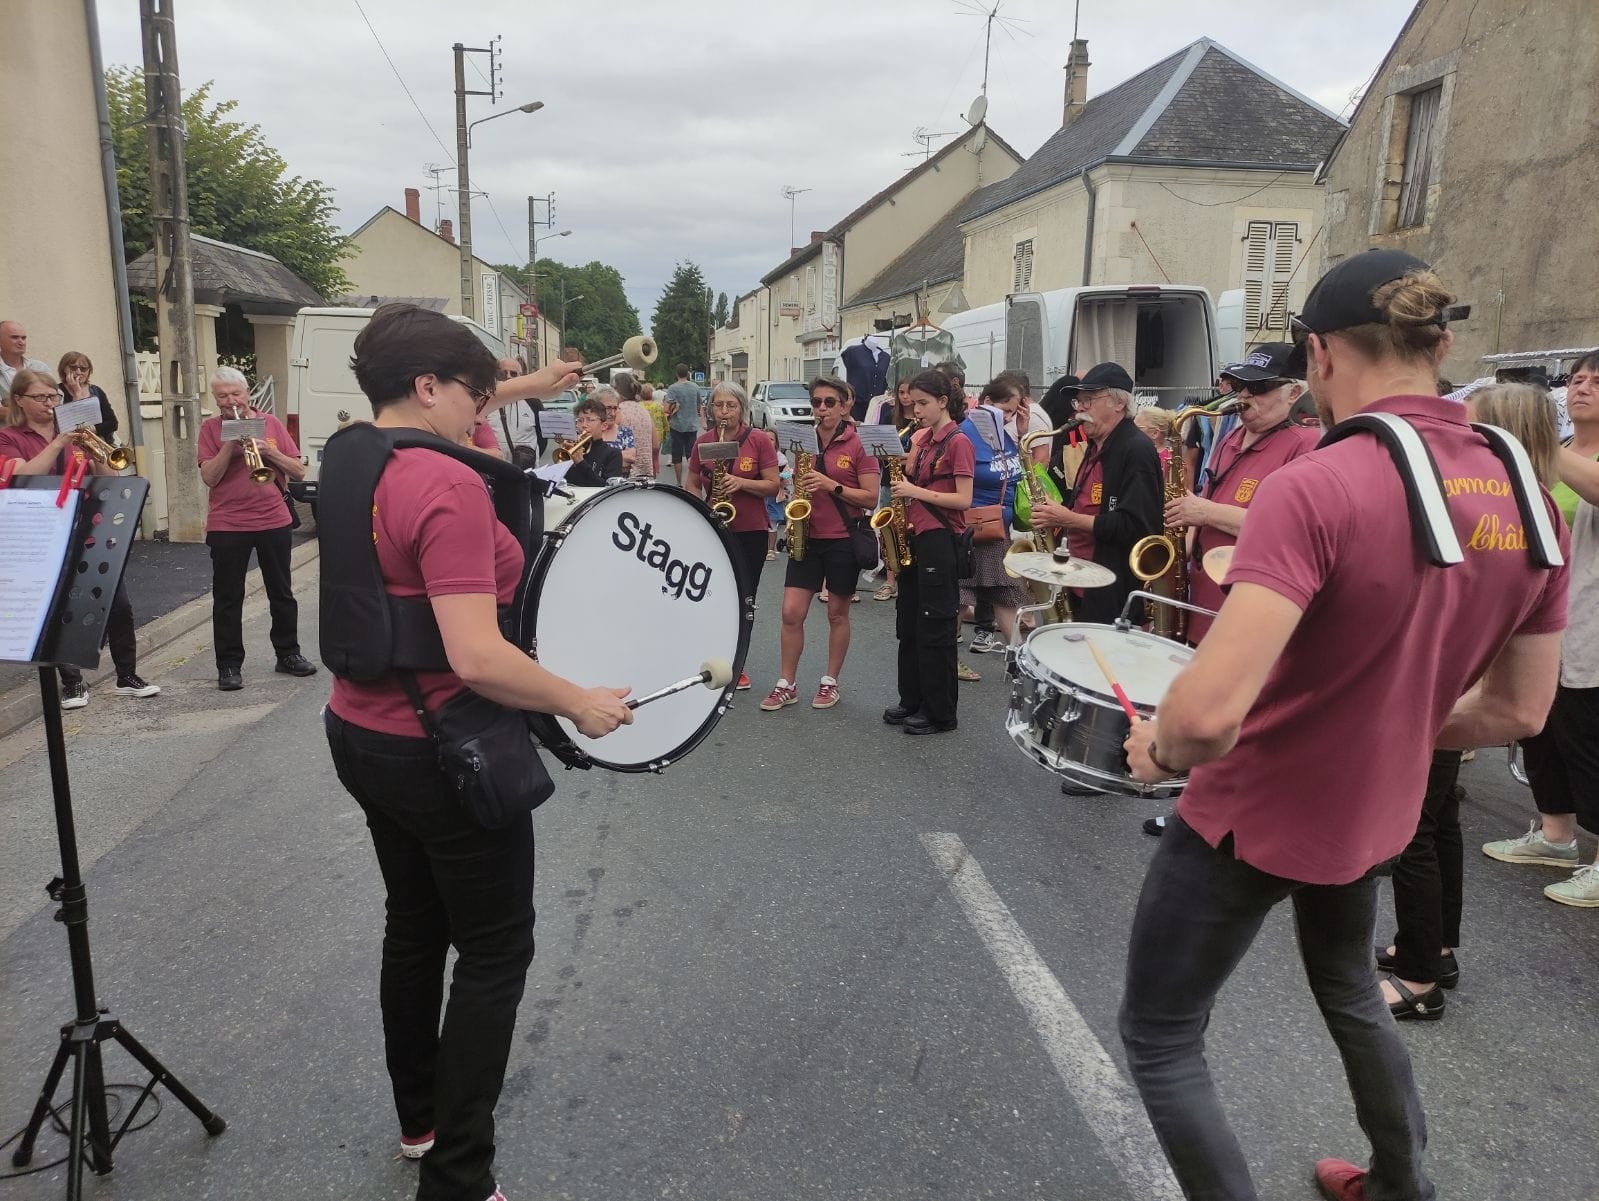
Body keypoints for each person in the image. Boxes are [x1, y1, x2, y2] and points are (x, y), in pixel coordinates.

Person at [1117, 249, 1569, 1201]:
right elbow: (1519, 711)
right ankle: (1402, 1186)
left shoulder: (1317, 484)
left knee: (1161, 1037)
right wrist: (1389, 730)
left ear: (1317, 355)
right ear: (1440, 345)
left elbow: (1201, 719)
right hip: (1375, 813)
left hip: (1251, 814)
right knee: (1351, 990)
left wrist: (1155, 748)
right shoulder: (1527, 493)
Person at [323, 302, 632, 1201]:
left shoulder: (351, 453)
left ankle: (420, 1122)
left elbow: (396, 594)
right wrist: (579, 701)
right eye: (471, 394)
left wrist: (520, 387)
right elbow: (476, 654)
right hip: (441, 749)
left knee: (414, 924)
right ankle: (460, 1179)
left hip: (358, 731)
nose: (479, 410)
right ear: (426, 387)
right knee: (494, 952)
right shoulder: (446, 486)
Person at [1485, 351, 1599, 909]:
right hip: (1547, 617)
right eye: (1577, 378)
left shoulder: (1560, 457)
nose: (1582, 387)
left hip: (1593, 625)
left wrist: (1530, 440)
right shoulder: (1563, 453)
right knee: (1542, 729)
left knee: (1588, 740)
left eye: (1597, 381)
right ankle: (1556, 837)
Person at [0, 370, 159, 704]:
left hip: (89, 529)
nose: (49, 403)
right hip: (43, 535)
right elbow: (23, 475)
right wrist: (59, 443)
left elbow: (109, 476)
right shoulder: (9, 437)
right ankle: (72, 682)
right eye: (40, 398)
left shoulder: (76, 435)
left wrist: (99, 449)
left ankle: (126, 674)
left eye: (53, 397)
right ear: (19, 400)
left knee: (119, 605)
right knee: (59, 609)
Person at [759, 377, 879, 712]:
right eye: (816, 402)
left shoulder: (861, 445)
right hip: (807, 536)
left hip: (843, 538)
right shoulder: (804, 440)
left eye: (829, 402)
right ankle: (787, 683)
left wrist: (831, 485)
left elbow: (870, 497)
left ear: (844, 406)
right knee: (790, 612)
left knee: (837, 614)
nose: (821, 409)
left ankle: (830, 681)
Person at [197, 366, 317, 691]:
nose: (229, 401)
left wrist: (269, 451)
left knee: (281, 591)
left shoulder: (272, 423)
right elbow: (209, 477)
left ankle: (288, 654)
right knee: (227, 597)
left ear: (247, 394)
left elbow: (299, 470)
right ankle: (229, 665)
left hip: (272, 518)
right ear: (216, 398)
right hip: (227, 523)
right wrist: (228, 446)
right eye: (222, 396)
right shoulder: (210, 428)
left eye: (235, 394)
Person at [1028, 362, 1162, 627]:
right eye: (1079, 401)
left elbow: (1136, 526)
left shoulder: (1136, 450)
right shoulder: (1095, 445)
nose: (1080, 408)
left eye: (1089, 400)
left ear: (1118, 404)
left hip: (1111, 587)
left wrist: (1068, 519)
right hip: (1081, 579)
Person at [882, 369, 973, 736]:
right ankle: (912, 700)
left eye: (922, 403)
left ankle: (940, 712)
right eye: (912, 402)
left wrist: (914, 492)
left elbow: (963, 499)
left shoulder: (958, 442)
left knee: (935, 627)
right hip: (916, 535)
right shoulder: (925, 439)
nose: (915, 409)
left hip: (940, 538)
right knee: (909, 623)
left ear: (942, 402)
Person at [688, 381, 780, 691]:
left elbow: (773, 485)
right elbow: (691, 482)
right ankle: (712, 657)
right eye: (719, 406)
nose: (725, 412)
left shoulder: (757, 441)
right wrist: (699, 509)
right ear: (711, 409)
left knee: (743, 598)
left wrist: (740, 483)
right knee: (710, 596)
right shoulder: (702, 442)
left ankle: (737, 663)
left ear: (742, 408)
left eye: (731, 406)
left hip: (750, 530)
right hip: (712, 527)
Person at [955, 378, 1029, 682]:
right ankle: (946, 657)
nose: (1009, 416)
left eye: (1013, 411)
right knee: (959, 598)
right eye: (1005, 409)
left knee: (1006, 595)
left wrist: (1022, 434)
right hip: (973, 528)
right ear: (985, 402)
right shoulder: (966, 435)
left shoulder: (1006, 435)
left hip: (999, 529)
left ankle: (1020, 662)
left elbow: (1018, 472)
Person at [487, 356, 542, 467]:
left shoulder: (533, 401)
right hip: (495, 468)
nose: (508, 377)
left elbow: (542, 437)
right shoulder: (486, 400)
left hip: (526, 472)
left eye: (513, 374)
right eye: (503, 373)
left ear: (520, 376)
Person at [560, 397, 624, 487]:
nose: (584, 425)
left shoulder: (612, 454)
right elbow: (564, 483)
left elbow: (607, 489)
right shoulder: (573, 451)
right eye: (580, 420)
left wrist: (581, 462)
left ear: (604, 426)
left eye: (589, 420)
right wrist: (564, 461)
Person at [58, 351, 119, 444]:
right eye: (73, 367)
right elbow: (62, 425)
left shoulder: (96, 391)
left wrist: (95, 428)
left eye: (83, 369)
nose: (78, 372)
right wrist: (77, 394)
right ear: (64, 369)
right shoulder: (56, 391)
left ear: (89, 371)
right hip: (69, 445)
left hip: (97, 443)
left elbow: (112, 423)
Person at [613, 373, 658, 480]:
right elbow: (656, 446)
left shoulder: (617, 413)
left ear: (616, 391)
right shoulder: (644, 411)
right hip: (646, 474)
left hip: (625, 474)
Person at [664, 363, 701, 487]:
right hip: (692, 425)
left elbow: (667, 408)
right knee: (691, 454)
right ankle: (692, 481)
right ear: (688, 374)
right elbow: (699, 406)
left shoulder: (672, 388)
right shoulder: (695, 387)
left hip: (677, 426)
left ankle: (679, 482)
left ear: (676, 374)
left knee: (677, 455)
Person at [0, 319, 49, 395]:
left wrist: (10, 404)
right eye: (15, 337)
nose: (21, 342)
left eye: (23, 338)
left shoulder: (39, 367)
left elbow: (58, 397)